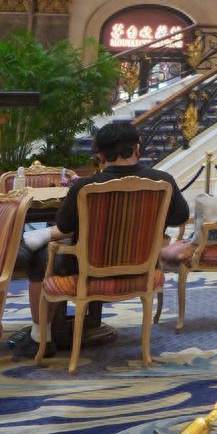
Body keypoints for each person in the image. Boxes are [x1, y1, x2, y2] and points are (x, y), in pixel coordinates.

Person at [9, 120, 190, 360]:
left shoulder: (84, 187)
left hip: (87, 270)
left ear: (100, 155)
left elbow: (63, 227)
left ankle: (40, 336)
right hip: (143, 269)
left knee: (42, 259)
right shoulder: (163, 181)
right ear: (138, 148)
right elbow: (181, 217)